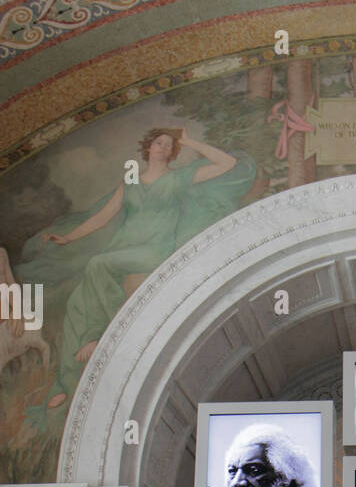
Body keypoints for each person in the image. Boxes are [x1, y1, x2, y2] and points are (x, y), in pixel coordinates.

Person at [19, 127, 254, 410]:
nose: (164, 148)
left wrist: (190, 141)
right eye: (159, 143)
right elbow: (104, 216)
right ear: (148, 147)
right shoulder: (130, 182)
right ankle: (67, 383)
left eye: (169, 145)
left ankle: (103, 333)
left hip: (154, 251)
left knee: (98, 264)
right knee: (79, 301)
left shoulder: (179, 179)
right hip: (124, 249)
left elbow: (227, 164)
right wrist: (69, 238)